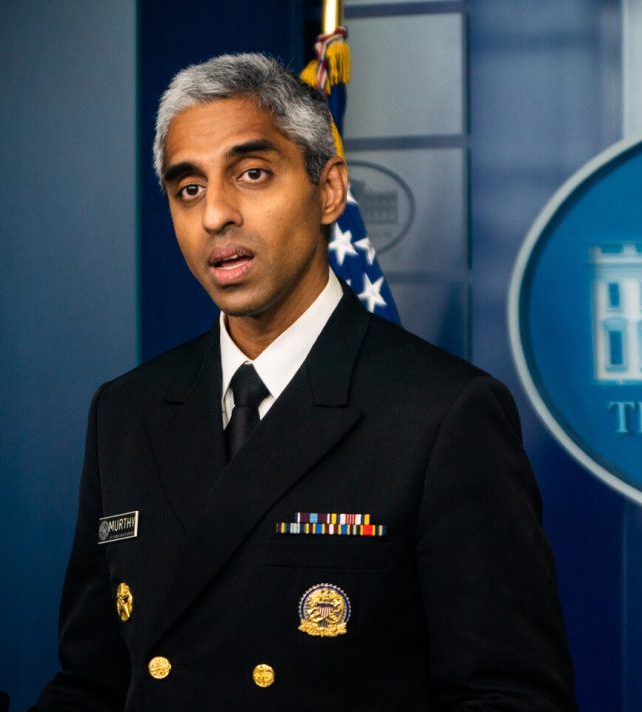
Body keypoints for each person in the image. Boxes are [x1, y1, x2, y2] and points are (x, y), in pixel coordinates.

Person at [33, 53, 576, 711]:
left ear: (329, 190)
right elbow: (93, 684)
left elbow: (510, 697)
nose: (216, 217)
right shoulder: (125, 410)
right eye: (189, 189)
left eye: (252, 174)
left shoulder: (443, 415)